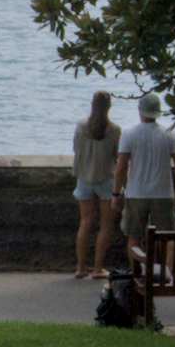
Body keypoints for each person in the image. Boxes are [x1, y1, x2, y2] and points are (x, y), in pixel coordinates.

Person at [115, 93, 175, 288]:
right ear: (158, 112)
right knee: (168, 236)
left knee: (133, 237)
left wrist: (116, 193)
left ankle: (138, 276)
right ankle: (166, 275)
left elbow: (121, 167)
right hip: (163, 194)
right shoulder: (169, 135)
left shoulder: (129, 134)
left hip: (136, 193)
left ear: (140, 111)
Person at [71, 90, 121, 278]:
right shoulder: (114, 130)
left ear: (92, 104)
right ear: (109, 107)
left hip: (84, 178)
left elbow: (75, 148)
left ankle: (80, 267)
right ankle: (98, 268)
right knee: (106, 225)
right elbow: (117, 156)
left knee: (85, 222)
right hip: (106, 179)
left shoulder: (80, 126)